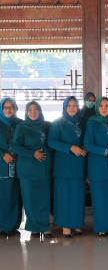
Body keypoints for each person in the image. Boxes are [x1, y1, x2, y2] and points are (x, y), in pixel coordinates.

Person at [12, 101, 53, 238]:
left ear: (40, 111)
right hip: (27, 169)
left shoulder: (47, 126)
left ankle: (45, 227)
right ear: (26, 112)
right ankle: (34, 227)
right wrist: (32, 153)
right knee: (30, 199)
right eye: (30, 109)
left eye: (36, 109)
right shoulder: (21, 127)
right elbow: (15, 146)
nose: (33, 112)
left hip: (44, 168)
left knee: (44, 198)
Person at [84, 97, 108, 236]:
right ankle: (101, 227)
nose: (104, 108)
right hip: (98, 165)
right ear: (97, 107)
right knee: (99, 197)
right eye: (101, 105)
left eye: (107, 105)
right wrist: (106, 151)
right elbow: (88, 144)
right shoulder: (92, 121)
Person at [48, 96, 87, 238]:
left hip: (79, 165)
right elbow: (51, 142)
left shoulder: (82, 122)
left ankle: (76, 224)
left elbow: (87, 140)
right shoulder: (57, 123)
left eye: (74, 105)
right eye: (69, 105)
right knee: (64, 197)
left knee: (77, 197)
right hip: (63, 166)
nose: (71, 108)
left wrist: (85, 148)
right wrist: (70, 147)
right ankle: (66, 227)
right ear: (64, 107)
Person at [0, 98, 23, 238]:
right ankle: (2, 226)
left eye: (11, 107)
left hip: (19, 165)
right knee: (3, 195)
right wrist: (3, 155)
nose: (8, 110)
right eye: (5, 107)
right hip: (2, 165)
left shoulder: (20, 124)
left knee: (16, 195)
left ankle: (13, 226)